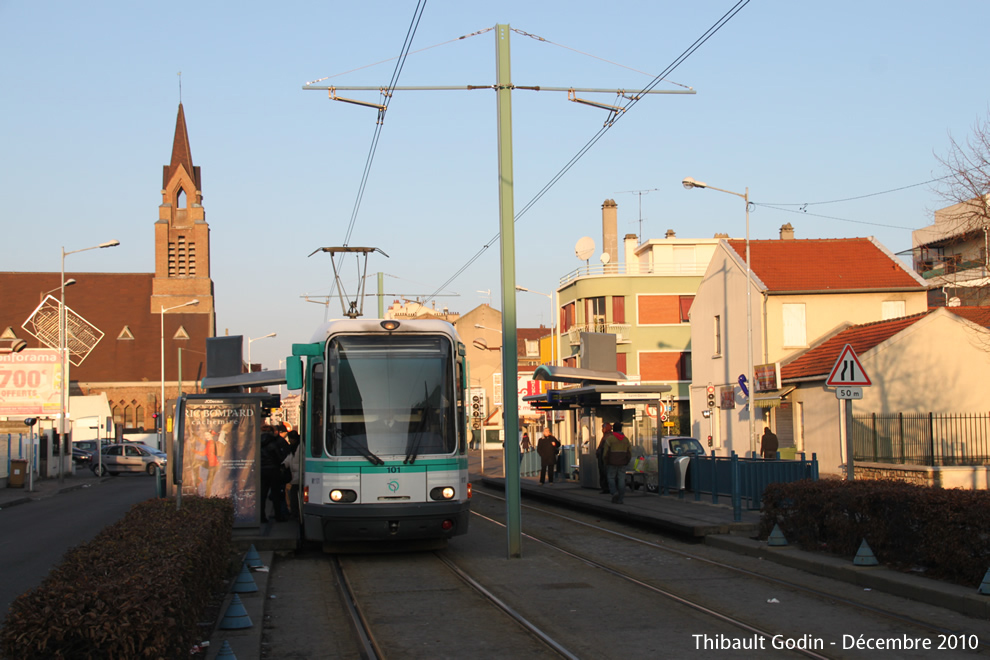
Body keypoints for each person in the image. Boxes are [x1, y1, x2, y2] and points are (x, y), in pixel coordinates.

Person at [259, 427, 289, 523]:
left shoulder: (258, 443)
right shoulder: (273, 444)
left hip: (262, 470)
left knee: (263, 494)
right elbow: (280, 458)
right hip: (273, 470)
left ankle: (261, 516)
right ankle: (278, 515)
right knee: (276, 494)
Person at [602, 422, 632, 504]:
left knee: (611, 478)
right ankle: (620, 498)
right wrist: (626, 461)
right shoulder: (626, 440)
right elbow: (630, 452)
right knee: (621, 479)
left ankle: (614, 492)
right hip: (622, 463)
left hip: (612, 463)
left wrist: (605, 461)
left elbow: (605, 453)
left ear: (614, 429)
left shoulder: (610, 439)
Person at [284, 430, 301, 519]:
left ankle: (295, 512)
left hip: (299, 475)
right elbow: (290, 458)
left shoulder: (300, 447)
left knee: (294, 494)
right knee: (293, 494)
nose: (290, 441)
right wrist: (284, 464)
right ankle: (295, 512)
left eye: (291, 439)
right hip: (295, 474)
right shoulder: (293, 447)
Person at [595, 423, 614, 494]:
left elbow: (603, 447)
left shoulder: (608, 437)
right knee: (604, 472)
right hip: (604, 456)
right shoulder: (606, 436)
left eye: (603, 428)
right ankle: (606, 487)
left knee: (604, 472)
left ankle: (606, 488)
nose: (602, 429)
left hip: (604, 457)